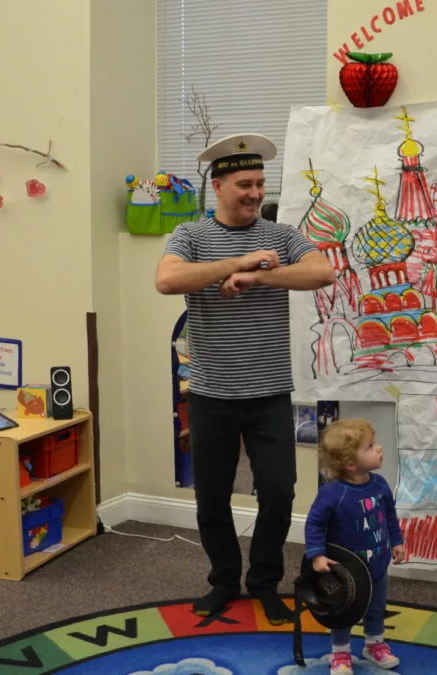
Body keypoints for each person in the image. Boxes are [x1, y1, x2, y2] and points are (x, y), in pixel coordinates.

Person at [155, 133, 336, 624]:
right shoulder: (191, 237)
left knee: (278, 493)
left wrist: (259, 277)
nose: (256, 193)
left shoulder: (280, 237)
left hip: (269, 394)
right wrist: (236, 263)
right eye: (244, 184)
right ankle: (223, 582)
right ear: (218, 186)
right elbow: (168, 280)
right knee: (211, 498)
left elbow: (323, 272)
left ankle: (263, 583)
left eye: (260, 183)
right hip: (212, 394)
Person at [304, 419, 406, 673]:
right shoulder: (332, 493)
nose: (379, 448)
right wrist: (316, 555)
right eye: (370, 446)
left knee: (376, 607)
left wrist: (398, 541)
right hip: (345, 571)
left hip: (378, 564)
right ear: (350, 463)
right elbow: (314, 524)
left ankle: (374, 644)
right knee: (343, 611)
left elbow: (390, 517)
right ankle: (340, 652)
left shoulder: (380, 485)